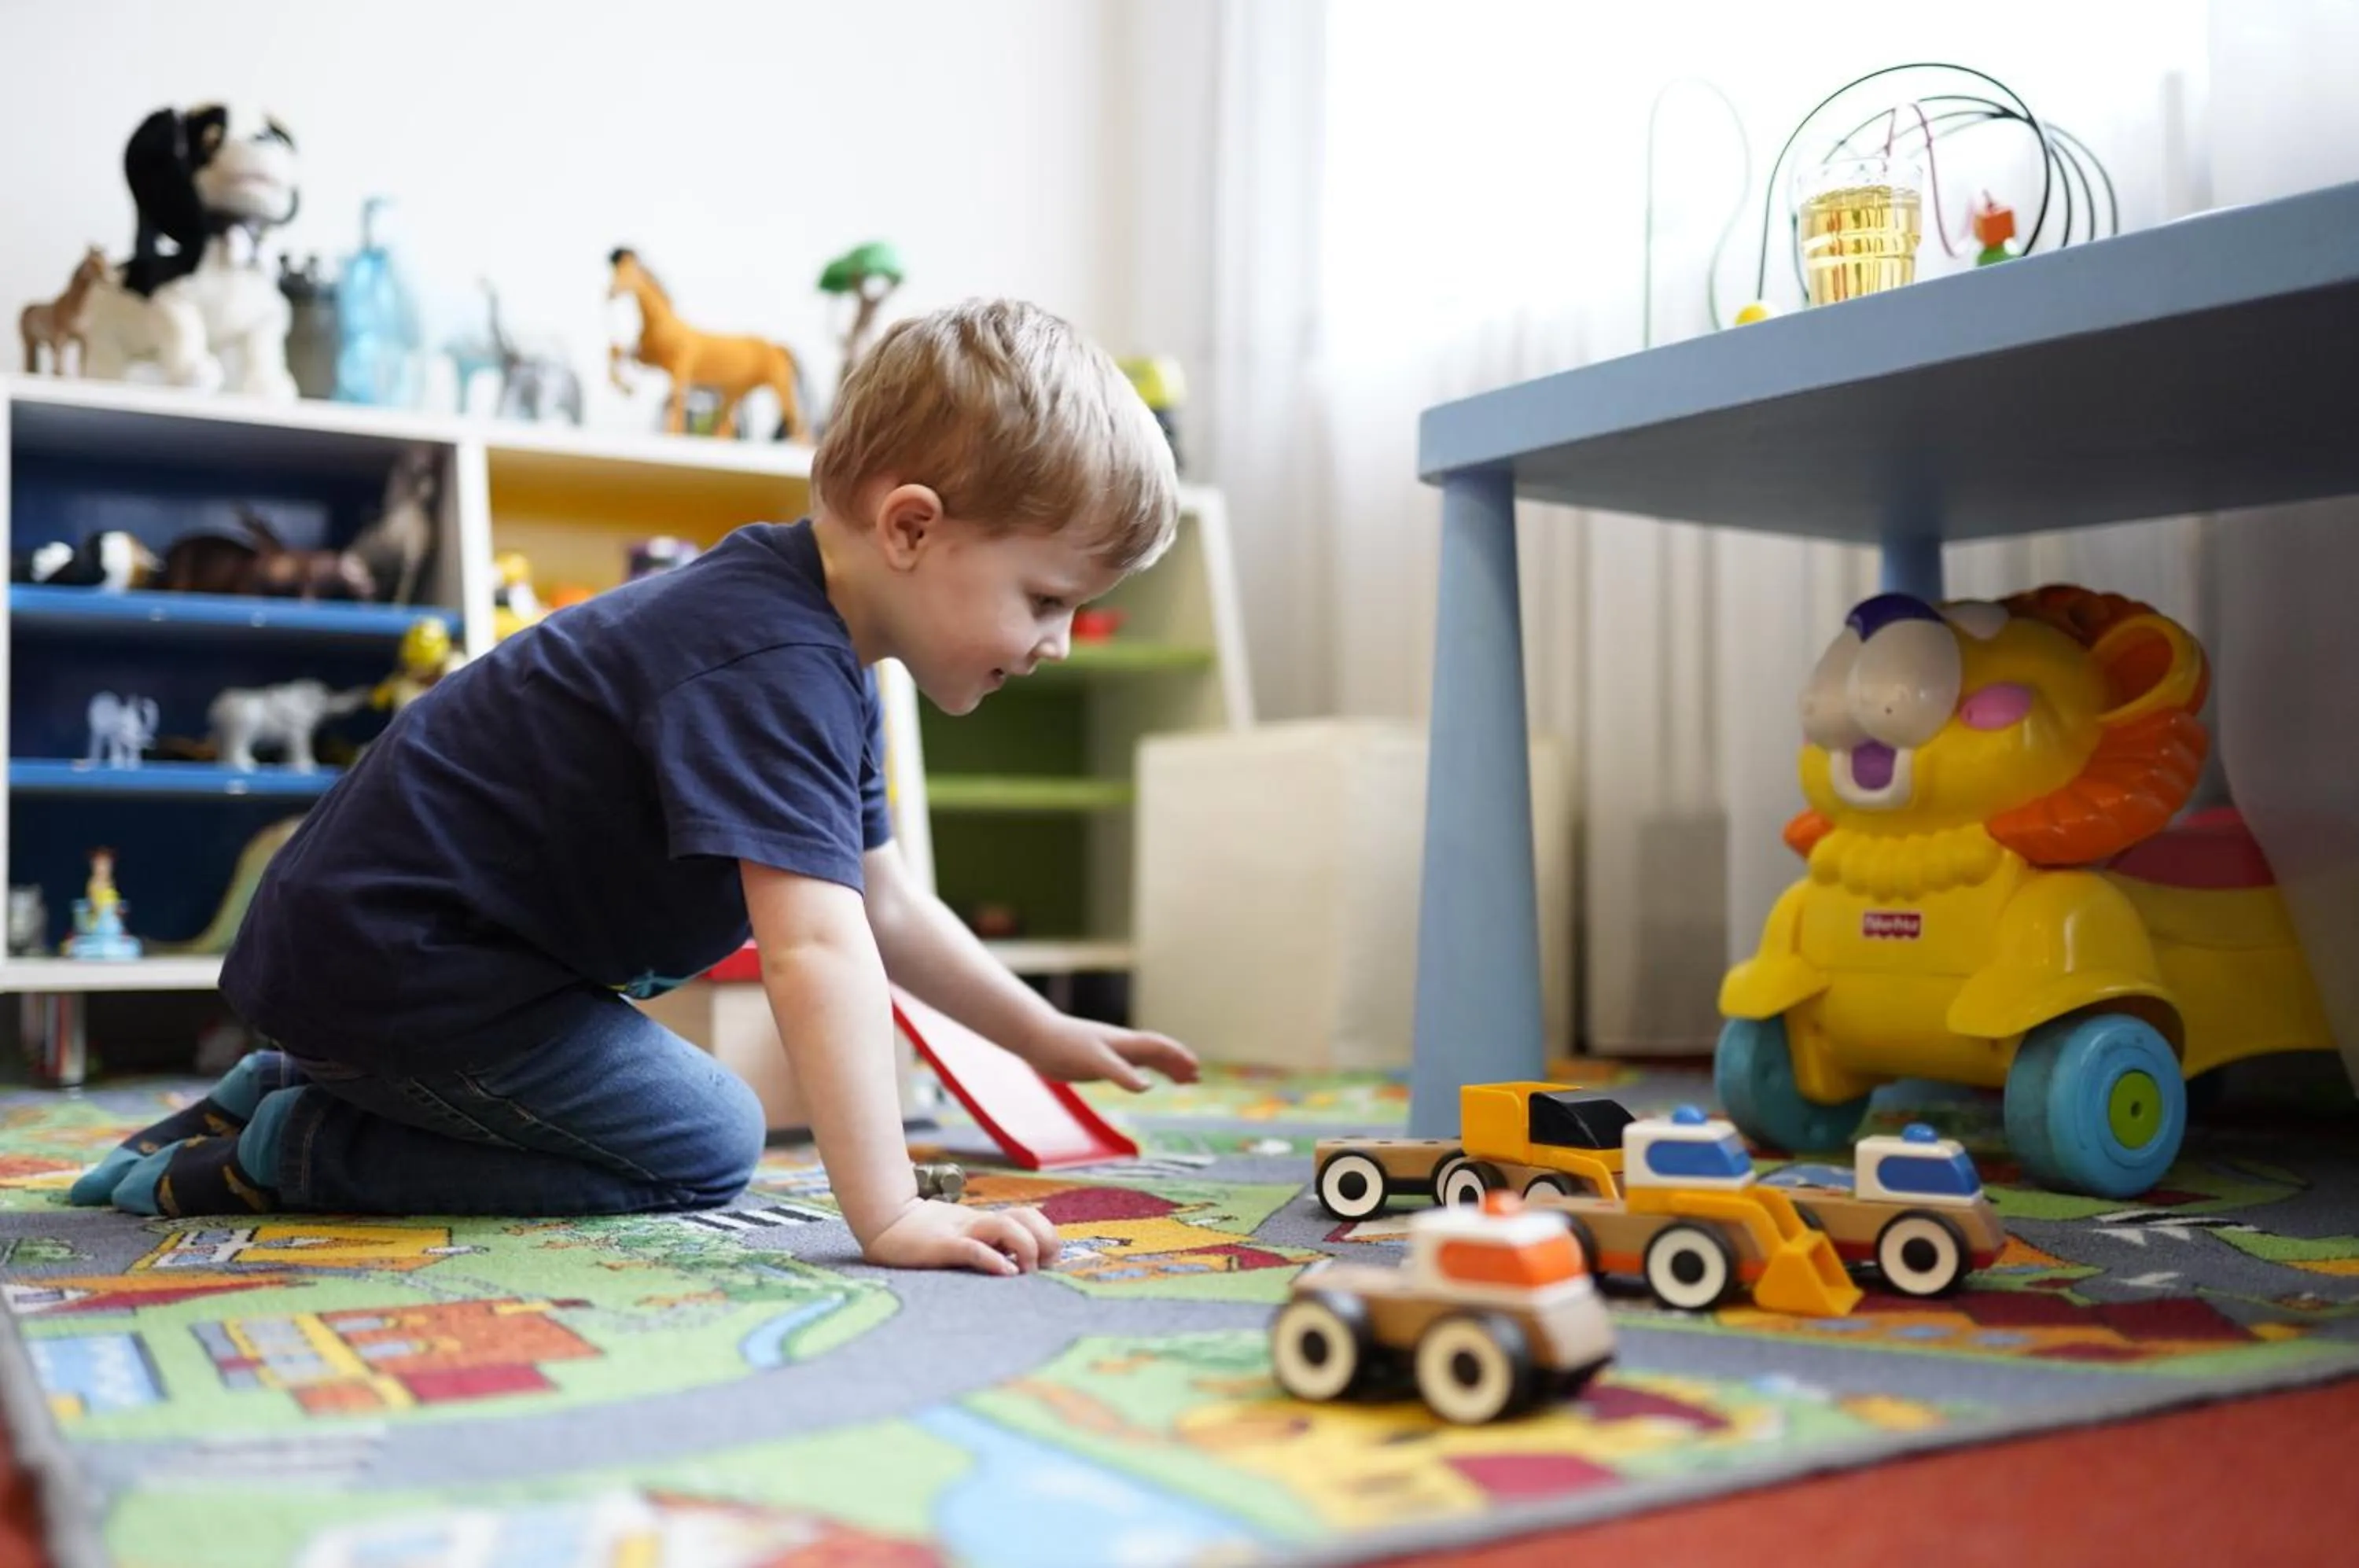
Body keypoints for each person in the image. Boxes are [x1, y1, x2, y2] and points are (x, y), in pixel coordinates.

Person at [69, 298, 1200, 1278]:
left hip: (402, 959)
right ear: (911, 527)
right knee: (706, 1141)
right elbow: (819, 950)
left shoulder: (811, 639)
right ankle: (308, 1144)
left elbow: (887, 907)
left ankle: (302, 1078)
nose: (1056, 643)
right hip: (396, 966)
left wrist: (1040, 1030)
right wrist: (891, 1207)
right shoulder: (776, 662)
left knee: (673, 1111)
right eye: (1046, 600)